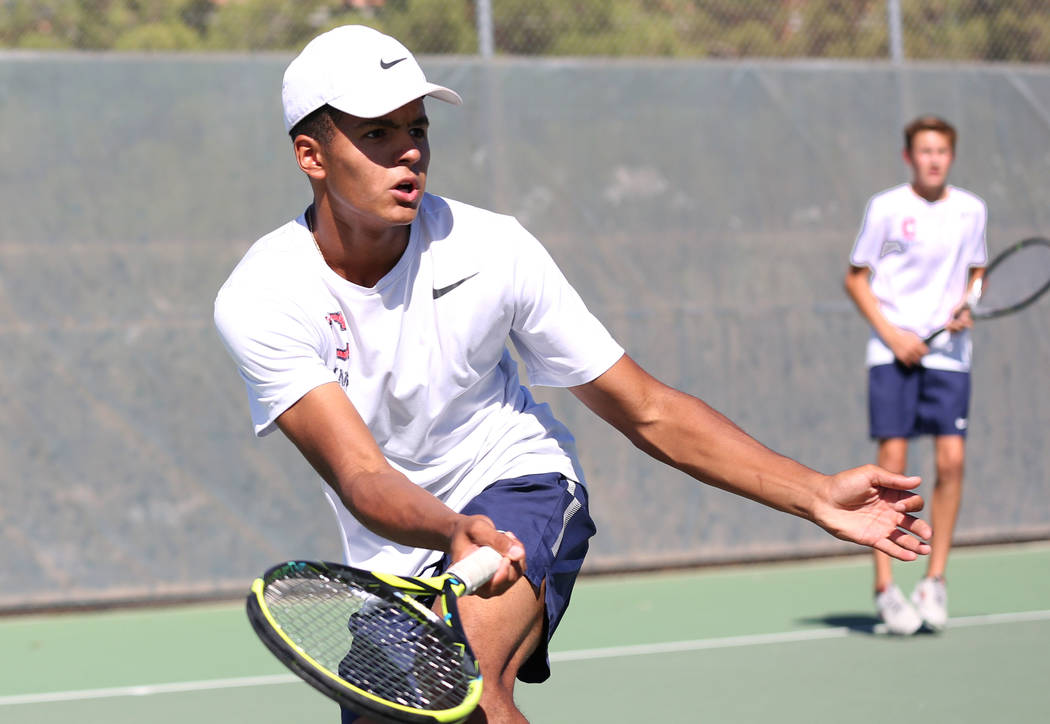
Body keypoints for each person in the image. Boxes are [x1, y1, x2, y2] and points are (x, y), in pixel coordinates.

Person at [215, 25, 932, 722]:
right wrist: (454, 531)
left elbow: (644, 407)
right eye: (377, 134)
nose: (408, 152)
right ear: (311, 154)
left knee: (461, 682)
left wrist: (814, 494)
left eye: (418, 128)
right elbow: (362, 475)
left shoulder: (493, 249)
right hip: (400, 546)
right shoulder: (263, 296)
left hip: (517, 484)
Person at [845, 116, 987, 635]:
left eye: (941, 151)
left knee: (951, 461)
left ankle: (936, 581)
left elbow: (976, 273)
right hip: (892, 353)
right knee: (893, 469)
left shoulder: (972, 210)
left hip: (949, 354)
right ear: (909, 157)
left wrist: (969, 306)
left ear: (951, 156)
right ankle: (886, 588)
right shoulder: (887, 209)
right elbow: (857, 278)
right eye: (924, 151)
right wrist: (893, 334)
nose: (933, 159)